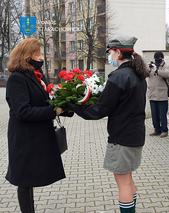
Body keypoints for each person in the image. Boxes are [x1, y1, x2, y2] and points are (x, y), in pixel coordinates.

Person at [68, 36, 148, 213]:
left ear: (118, 52)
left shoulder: (118, 76)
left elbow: (99, 111)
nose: (109, 56)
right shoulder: (138, 74)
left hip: (122, 137)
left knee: (123, 182)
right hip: (135, 134)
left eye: (110, 51)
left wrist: (73, 105)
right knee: (128, 178)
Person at [6, 38, 66, 213]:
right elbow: (23, 111)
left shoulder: (37, 76)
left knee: (30, 177)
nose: (40, 58)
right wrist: (54, 111)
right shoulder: (17, 79)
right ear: (26, 56)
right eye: (37, 54)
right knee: (24, 180)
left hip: (38, 135)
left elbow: (49, 101)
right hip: (24, 138)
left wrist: (67, 106)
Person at [147, 51, 169, 138]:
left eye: (159, 59)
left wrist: (157, 70)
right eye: (156, 59)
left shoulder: (166, 66)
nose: (157, 60)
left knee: (162, 115)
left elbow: (167, 74)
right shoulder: (152, 66)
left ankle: (164, 130)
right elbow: (145, 74)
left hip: (162, 95)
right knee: (154, 115)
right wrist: (148, 68)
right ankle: (156, 129)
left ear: (162, 58)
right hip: (152, 94)